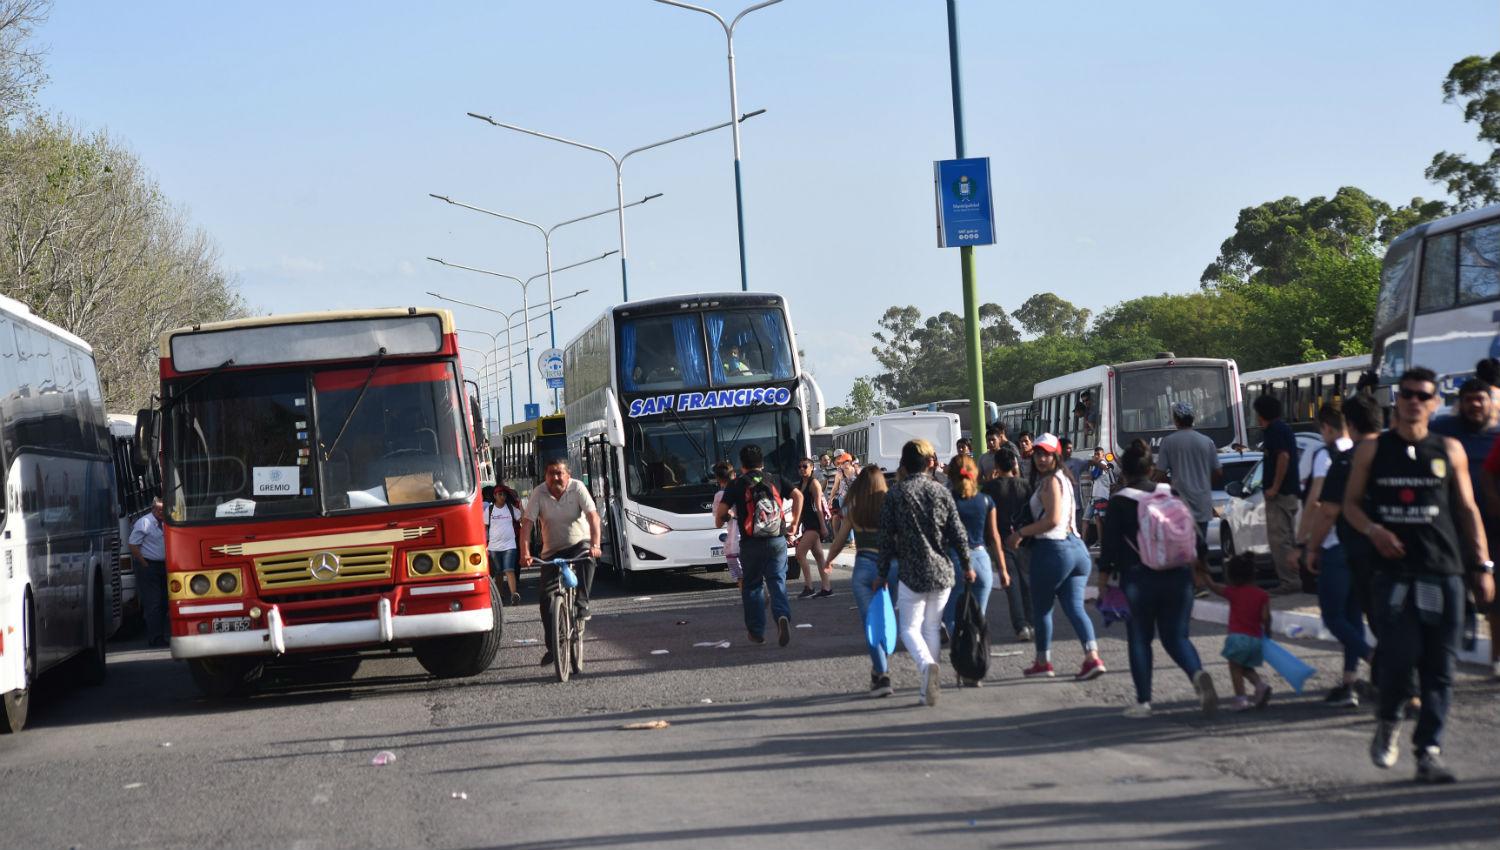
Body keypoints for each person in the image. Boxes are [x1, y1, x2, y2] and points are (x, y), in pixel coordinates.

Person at [1343, 367, 1494, 783]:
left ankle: (1428, 749)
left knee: (1441, 668)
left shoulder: (1449, 449)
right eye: (1406, 394)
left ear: (1432, 402)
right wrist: (1374, 530)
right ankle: (1389, 720)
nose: (1413, 400)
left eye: (1421, 395)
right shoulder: (1373, 449)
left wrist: (1482, 566)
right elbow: (1351, 505)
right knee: (1399, 659)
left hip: (1443, 572)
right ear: (1398, 400)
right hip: (1394, 575)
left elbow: (1467, 510)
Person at [1099, 441, 1217, 718]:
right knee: (1177, 637)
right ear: (1151, 469)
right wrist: (1201, 570)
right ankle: (1197, 674)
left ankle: (1143, 702)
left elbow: (1110, 548)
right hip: (1178, 576)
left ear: (1123, 471)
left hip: (1139, 579)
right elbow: (1196, 538)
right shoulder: (1171, 493)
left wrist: (1103, 580)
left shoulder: (1120, 501)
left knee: (1140, 638)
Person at [1005, 433, 1105, 681]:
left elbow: (1052, 520)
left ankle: (1043, 662)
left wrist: (1020, 533)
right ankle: (1092, 657)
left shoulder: (1050, 482)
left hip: (1053, 550)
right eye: (1038, 453)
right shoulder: (1064, 479)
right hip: (1078, 551)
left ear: (1056, 455)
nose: (1040, 458)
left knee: (1042, 610)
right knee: (1074, 607)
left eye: (1046, 453)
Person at [877, 439, 969, 706]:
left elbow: (885, 539)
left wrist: (881, 573)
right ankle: (929, 683)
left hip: (911, 571)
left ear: (903, 465)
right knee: (931, 626)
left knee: (908, 628)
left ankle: (927, 666)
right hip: (942, 570)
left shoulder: (895, 494)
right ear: (929, 463)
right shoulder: (941, 491)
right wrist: (968, 564)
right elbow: (958, 533)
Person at [1305, 396, 1380, 706]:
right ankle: (1349, 682)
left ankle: (1374, 660)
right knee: (1352, 616)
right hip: (1374, 547)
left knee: (1334, 616)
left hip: (1339, 546)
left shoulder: (1337, 459)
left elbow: (1326, 510)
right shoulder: (1386, 455)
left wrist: (1310, 546)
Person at [1433, 379, 1500, 677]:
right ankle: (1444, 657)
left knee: (1496, 598)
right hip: (1452, 527)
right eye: (1469, 400)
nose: (1475, 405)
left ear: (1490, 403)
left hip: (1493, 527)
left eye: (1481, 400)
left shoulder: (1497, 435)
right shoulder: (1444, 432)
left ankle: (1497, 660)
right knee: (1451, 595)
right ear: (1460, 403)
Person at [715, 444, 803, 647]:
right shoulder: (775, 479)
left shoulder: (736, 484)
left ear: (742, 464)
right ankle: (781, 616)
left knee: (752, 585)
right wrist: (795, 523)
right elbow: (798, 495)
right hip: (777, 539)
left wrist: (722, 520)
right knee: (777, 581)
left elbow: (721, 515)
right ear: (762, 462)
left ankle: (756, 631)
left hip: (751, 543)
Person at [519, 458, 603, 667]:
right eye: (551, 473)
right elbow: (527, 525)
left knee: (588, 558)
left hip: (578, 543)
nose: (555, 477)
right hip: (551, 551)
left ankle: (582, 603)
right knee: (546, 600)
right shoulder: (539, 493)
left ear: (568, 475)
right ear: (545, 476)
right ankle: (554, 646)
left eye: (559, 473)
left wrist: (596, 544)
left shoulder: (578, 488)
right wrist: (525, 553)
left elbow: (593, 517)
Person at [826, 464, 895, 697]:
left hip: (864, 567)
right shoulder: (891, 505)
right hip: (890, 568)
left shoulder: (854, 508)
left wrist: (829, 559)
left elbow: (840, 539)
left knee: (870, 624)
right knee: (886, 621)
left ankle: (882, 673)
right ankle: (880, 668)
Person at [941, 454, 1010, 686]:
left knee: (952, 619)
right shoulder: (986, 501)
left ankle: (964, 665)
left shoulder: (947, 500)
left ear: (951, 475)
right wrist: (1003, 569)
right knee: (976, 620)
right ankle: (975, 666)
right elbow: (995, 537)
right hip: (982, 561)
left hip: (955, 561)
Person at [1198, 553, 1272, 711]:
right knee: (1245, 667)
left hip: (1237, 638)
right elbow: (1266, 617)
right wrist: (1268, 631)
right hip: (1255, 639)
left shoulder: (1233, 592)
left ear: (1231, 575)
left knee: (1235, 669)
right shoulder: (1262, 595)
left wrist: (1202, 571)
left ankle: (1241, 699)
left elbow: (1212, 586)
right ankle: (1260, 685)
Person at [1154, 401, 1222, 569]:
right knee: (1200, 541)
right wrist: (1205, 485)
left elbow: (1160, 474)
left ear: (1176, 419)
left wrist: (1173, 488)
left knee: (1183, 544)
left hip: (1179, 503)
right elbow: (1218, 472)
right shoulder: (1207, 441)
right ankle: (1202, 578)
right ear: (1193, 418)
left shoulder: (1168, 442)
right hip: (1202, 501)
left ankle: (1189, 580)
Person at [1255, 394, 1303, 594]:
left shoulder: (1274, 431)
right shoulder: (1283, 429)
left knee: (1279, 539)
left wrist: (1274, 487)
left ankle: (1290, 582)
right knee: (1289, 538)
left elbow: (1283, 457)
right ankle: (1296, 578)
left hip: (1280, 495)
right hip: (1289, 492)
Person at [984, 448, 1034, 642]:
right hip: (1024, 538)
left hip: (1002, 539)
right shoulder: (1025, 485)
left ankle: (1021, 626)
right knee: (1027, 581)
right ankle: (1031, 622)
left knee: (1011, 583)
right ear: (1014, 464)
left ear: (996, 466)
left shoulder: (990, 488)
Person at [129, 498, 168, 648]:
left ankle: (161, 634)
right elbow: (132, 545)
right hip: (149, 566)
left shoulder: (166, 522)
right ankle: (155, 638)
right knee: (154, 602)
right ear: (153, 509)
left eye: (163, 509)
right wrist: (144, 563)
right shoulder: (144, 523)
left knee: (164, 602)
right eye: (158, 509)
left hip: (163, 566)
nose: (161, 512)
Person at [793, 457, 833, 598]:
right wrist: (796, 526)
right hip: (807, 523)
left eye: (805, 466)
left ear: (811, 468)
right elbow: (800, 508)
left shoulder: (814, 483)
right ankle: (826, 588)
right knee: (819, 557)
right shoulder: (800, 484)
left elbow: (819, 507)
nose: (802, 469)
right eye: (800, 467)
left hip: (815, 524)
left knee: (800, 554)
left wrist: (823, 527)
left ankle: (809, 587)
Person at [485, 484, 523, 606]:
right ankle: (500, 595)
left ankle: (514, 594)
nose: (503, 496)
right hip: (494, 547)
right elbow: (483, 526)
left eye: (504, 494)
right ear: (495, 496)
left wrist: (521, 506)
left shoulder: (511, 508)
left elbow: (522, 519)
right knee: (498, 572)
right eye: (500, 494)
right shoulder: (489, 510)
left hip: (509, 545)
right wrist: (484, 543)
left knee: (509, 569)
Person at [711, 462, 744, 590]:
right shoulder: (745, 489)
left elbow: (718, 523)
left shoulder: (720, 496)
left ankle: (752, 602)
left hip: (734, 543)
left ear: (718, 479)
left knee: (741, 578)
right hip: (752, 538)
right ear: (734, 475)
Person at [1085, 446, 1118, 546]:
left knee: (1103, 519)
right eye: (1095, 454)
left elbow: (1095, 475)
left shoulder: (1102, 463)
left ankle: (1110, 539)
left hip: (1102, 495)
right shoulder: (1098, 465)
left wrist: (1097, 464)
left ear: (1103, 455)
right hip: (1097, 495)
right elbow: (1093, 477)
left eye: (1098, 454)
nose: (1096, 456)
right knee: (1098, 518)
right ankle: (1100, 540)